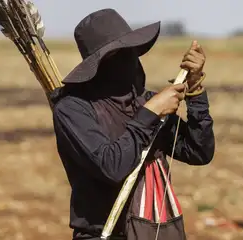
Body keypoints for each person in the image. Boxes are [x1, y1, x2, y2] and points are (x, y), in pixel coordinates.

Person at [50, 8, 215, 240]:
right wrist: (149, 115)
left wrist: (195, 91)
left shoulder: (143, 101)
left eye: (130, 52)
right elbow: (112, 166)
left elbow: (199, 152)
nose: (129, 61)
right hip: (103, 234)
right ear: (98, 65)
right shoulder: (73, 109)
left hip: (153, 230)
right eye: (117, 55)